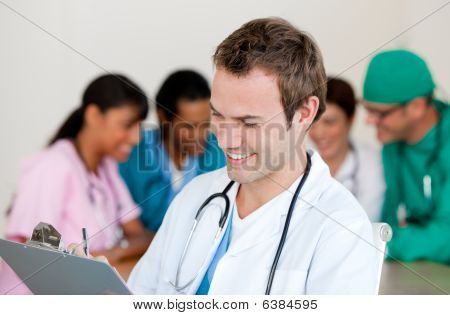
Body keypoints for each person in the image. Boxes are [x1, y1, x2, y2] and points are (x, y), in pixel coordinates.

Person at [124, 18, 377, 294]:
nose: (225, 140)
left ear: (304, 114)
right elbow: (140, 294)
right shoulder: (194, 197)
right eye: (218, 116)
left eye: (250, 123)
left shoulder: (342, 229)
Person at [0, 74, 153, 294]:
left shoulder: (106, 169)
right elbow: (35, 258)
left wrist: (110, 256)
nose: (136, 138)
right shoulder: (53, 167)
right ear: (93, 115)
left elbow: (142, 236)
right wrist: (105, 260)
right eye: (127, 125)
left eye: (139, 127)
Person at [362, 49, 450, 264]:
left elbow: (446, 239)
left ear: (417, 107)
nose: (369, 121)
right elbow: (389, 221)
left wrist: (377, 243)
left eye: (380, 113)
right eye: (367, 110)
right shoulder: (393, 143)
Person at [119, 70, 225, 232]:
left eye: (205, 124)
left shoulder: (219, 153)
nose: (199, 135)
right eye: (189, 126)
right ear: (163, 118)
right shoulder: (131, 153)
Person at [309, 78, 385, 221]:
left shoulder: (372, 163)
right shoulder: (297, 163)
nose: (318, 133)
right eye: (313, 123)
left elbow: (366, 224)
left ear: (351, 119)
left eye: (329, 122)